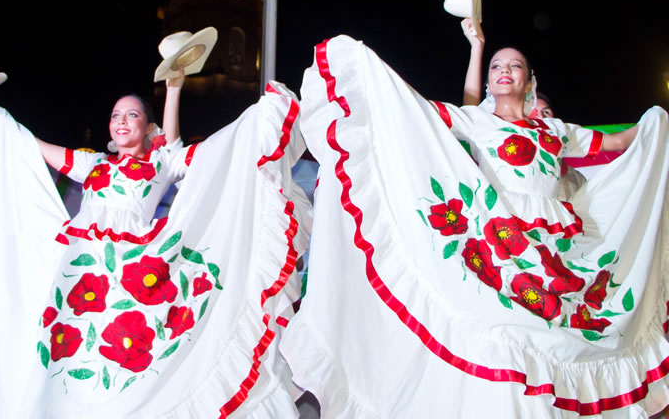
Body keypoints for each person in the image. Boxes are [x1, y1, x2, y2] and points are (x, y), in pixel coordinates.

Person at [282, 35, 668, 417]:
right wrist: (373, 72)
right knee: (503, 339)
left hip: (552, 258)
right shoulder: (480, 121)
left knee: (555, 346)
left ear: (528, 82)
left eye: (514, 66)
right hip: (499, 247)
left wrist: (656, 123)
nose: (505, 71)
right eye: (497, 66)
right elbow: (419, 110)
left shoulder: (557, 132)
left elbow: (616, 141)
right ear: (488, 83)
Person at [0, 35, 310, 418]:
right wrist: (6, 128)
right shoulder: (93, 165)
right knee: (65, 351)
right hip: (80, 273)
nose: (121, 121)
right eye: (116, 115)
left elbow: (198, 151)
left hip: (132, 272)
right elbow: (34, 148)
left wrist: (178, 92)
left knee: (122, 358)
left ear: (149, 128)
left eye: (131, 115)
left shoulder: (159, 164)